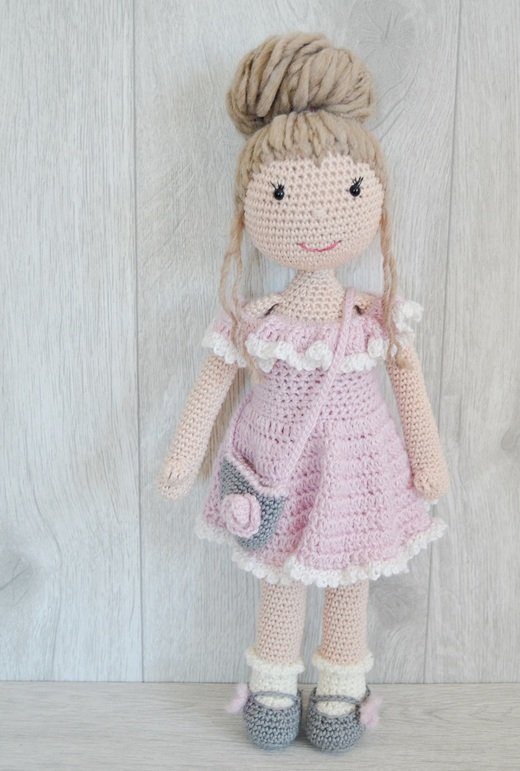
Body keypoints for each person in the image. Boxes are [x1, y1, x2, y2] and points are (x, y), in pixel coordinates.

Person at [159, 31, 450, 753]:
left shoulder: (376, 318)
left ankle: (341, 697)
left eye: (349, 192)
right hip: (277, 471)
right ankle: (272, 691)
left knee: (350, 580)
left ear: (373, 202)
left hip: (359, 473)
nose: (318, 219)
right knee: (282, 575)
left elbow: (407, 381)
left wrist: (428, 459)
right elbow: (213, 380)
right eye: (284, 195)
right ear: (252, 210)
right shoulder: (257, 320)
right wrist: (183, 456)